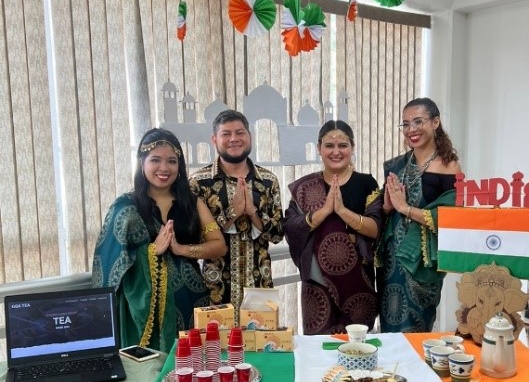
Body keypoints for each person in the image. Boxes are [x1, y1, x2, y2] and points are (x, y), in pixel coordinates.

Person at [92, 128, 226, 350]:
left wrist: (181, 249)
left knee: (191, 370)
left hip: (190, 303)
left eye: (172, 161)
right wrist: (152, 252)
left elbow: (219, 246)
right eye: (155, 160)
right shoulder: (124, 208)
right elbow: (109, 266)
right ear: (141, 163)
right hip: (144, 310)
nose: (164, 168)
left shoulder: (192, 203)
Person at [284, 120, 382, 334]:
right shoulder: (304, 187)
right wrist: (324, 211)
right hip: (316, 283)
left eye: (343, 145)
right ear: (319, 148)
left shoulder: (366, 183)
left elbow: (376, 227)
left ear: (352, 148)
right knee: (320, 348)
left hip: (357, 284)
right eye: (329, 145)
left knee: (358, 347)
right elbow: (290, 226)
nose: (336, 152)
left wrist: (342, 211)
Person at [377, 98, 461, 332]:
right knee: (389, 327)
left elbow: (450, 219)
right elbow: (386, 214)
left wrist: (405, 208)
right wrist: (387, 207)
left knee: (416, 330)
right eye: (405, 124)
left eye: (418, 122)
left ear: (435, 122)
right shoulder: (396, 166)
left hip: (423, 261)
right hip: (392, 261)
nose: (411, 130)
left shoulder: (449, 167)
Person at [190, 110, 284, 314]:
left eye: (240, 132)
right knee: (216, 346)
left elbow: (277, 234)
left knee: (262, 345)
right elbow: (194, 238)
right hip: (214, 291)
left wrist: (252, 213)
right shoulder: (199, 182)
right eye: (226, 134)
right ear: (214, 140)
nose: (234, 139)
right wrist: (231, 213)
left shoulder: (267, 180)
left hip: (259, 287)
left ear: (249, 136)